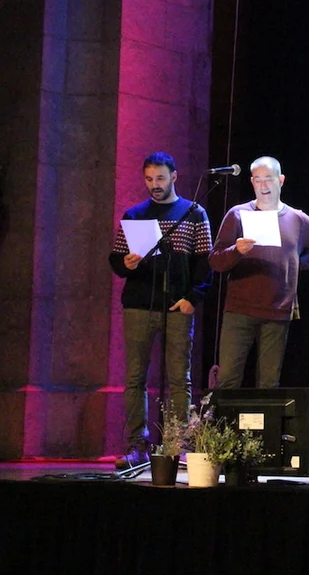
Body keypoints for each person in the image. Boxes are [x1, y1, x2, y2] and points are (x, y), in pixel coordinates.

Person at [109, 152, 213, 469]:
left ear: (174, 177)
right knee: (135, 377)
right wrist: (126, 264)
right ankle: (137, 446)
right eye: (149, 179)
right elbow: (116, 259)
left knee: (179, 378)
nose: (154, 185)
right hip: (139, 305)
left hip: (177, 305)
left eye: (160, 178)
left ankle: (177, 445)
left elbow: (205, 263)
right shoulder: (135, 215)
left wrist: (192, 298)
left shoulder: (193, 213)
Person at [209, 156, 309, 389]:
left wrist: (296, 264)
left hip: (277, 310)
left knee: (269, 384)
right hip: (240, 309)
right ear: (252, 182)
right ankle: (227, 416)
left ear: (281, 180)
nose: (263, 186)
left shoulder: (297, 218)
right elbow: (215, 260)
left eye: (269, 179)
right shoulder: (237, 214)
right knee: (228, 379)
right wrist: (237, 250)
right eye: (258, 180)